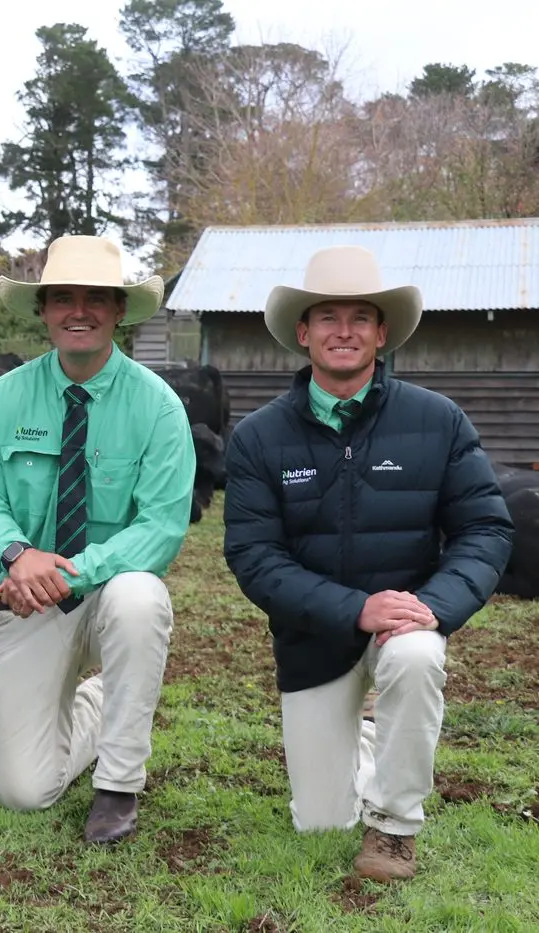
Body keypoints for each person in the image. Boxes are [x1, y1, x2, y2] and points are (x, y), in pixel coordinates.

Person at [222, 245, 513, 882]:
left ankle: (394, 829)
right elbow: (253, 556)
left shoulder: (438, 420)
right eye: (327, 316)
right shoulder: (258, 437)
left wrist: (431, 609)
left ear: (382, 333)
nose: (344, 330)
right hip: (314, 638)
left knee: (415, 656)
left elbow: (485, 528)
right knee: (321, 822)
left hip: (404, 624)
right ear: (303, 333)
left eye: (361, 316)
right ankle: (371, 736)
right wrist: (354, 609)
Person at [0, 234, 195, 844]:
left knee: (141, 596)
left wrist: (67, 570)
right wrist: (16, 555)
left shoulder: (159, 408)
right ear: (43, 310)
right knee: (22, 792)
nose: (78, 310)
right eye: (62, 297)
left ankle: (118, 785)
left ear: (120, 311)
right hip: (32, 596)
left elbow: (161, 528)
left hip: (111, 593)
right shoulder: (2, 400)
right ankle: (97, 704)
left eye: (96, 297)